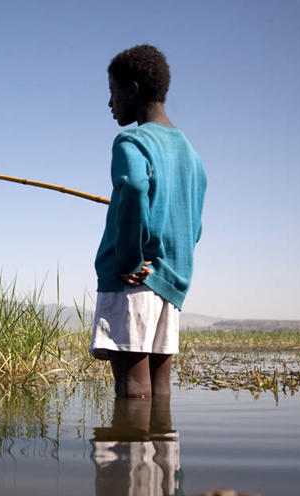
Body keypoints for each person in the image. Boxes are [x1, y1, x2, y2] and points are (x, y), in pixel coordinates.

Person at [90, 44, 206, 398]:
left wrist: (129, 258)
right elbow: (194, 228)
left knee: (132, 386)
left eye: (113, 92)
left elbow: (135, 187)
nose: (110, 104)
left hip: (133, 279)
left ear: (134, 89)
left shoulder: (130, 141)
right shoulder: (190, 153)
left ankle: (129, 449)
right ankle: (161, 449)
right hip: (171, 282)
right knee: (159, 386)